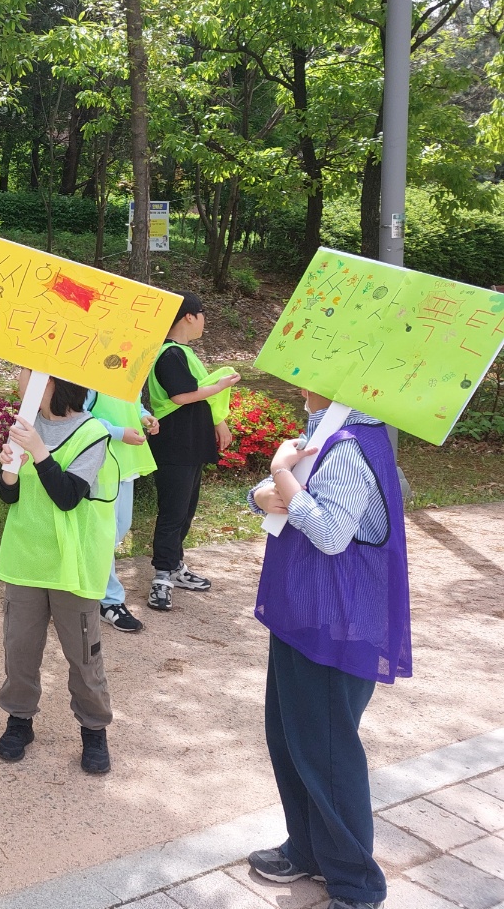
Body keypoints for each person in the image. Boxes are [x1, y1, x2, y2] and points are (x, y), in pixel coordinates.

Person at [244, 389, 409, 909]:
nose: (297, 382)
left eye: (311, 369)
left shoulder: (350, 443)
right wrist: (263, 493)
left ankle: (356, 885)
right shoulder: (330, 428)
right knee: (291, 737)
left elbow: (333, 534)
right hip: (309, 616)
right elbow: (294, 493)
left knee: (328, 754)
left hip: (334, 627)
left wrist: (281, 474)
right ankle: (309, 849)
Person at [0, 373, 119, 774]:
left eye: (27, 373)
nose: (18, 378)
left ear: (53, 383)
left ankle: (94, 730)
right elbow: (8, 495)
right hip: (26, 558)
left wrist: (39, 452)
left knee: (83, 656)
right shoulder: (24, 423)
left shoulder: (92, 432)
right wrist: (9, 472)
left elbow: (67, 497)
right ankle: (19, 721)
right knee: (20, 650)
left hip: (73, 564)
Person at [143, 292, 240, 611]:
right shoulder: (170, 354)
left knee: (185, 509)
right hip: (175, 444)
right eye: (201, 314)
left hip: (190, 443)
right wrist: (222, 385)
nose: (204, 320)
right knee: (173, 512)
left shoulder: (183, 352)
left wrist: (218, 421)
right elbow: (184, 395)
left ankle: (174, 566)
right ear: (188, 316)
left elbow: (198, 396)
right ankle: (161, 576)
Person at [84, 390, 159, 633]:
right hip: (102, 462)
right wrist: (117, 432)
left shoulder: (128, 375)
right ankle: (110, 601)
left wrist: (144, 415)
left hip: (125, 462)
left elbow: (130, 406)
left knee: (119, 528)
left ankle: (89, 582)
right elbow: (77, 414)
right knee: (105, 534)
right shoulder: (91, 378)